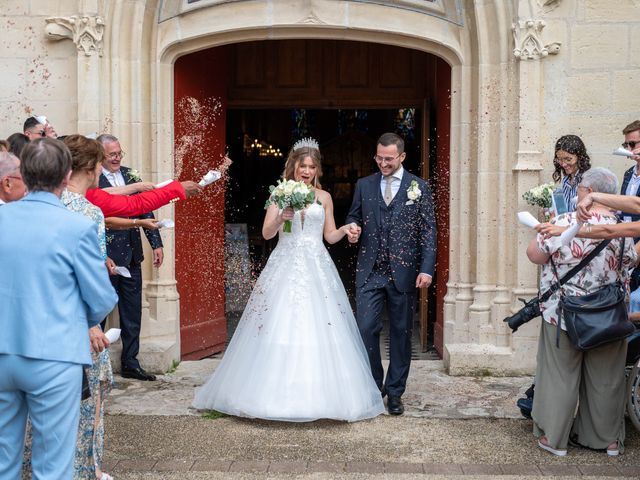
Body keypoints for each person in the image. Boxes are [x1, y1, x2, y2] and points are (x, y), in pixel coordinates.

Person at [192, 137, 385, 422]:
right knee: (279, 324)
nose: (305, 171)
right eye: (301, 165)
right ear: (293, 167)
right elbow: (268, 233)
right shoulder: (280, 193)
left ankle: (323, 397)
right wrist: (282, 215)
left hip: (317, 265)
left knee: (322, 325)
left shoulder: (325, 198)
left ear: (316, 169)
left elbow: (329, 236)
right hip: (285, 263)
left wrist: (346, 229)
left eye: (310, 166)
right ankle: (269, 395)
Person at [0, 138, 118, 479]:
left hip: (2, 350)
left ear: (24, 173)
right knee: (52, 466)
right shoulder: (76, 227)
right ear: (66, 176)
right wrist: (80, 317)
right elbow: (101, 297)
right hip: (54, 354)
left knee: (4, 461)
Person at [526, 167, 636, 457]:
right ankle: (606, 440)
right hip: (609, 315)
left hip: (563, 313)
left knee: (560, 374)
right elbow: (629, 265)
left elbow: (535, 255)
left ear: (587, 191)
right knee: (606, 378)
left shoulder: (564, 221)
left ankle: (555, 438)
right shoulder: (622, 229)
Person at [345, 132, 436, 416]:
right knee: (365, 328)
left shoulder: (419, 188)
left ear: (402, 157)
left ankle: (395, 392)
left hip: (404, 273)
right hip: (370, 270)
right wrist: (352, 228)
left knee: (400, 333)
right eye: (379, 158)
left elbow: (429, 232)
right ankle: (374, 384)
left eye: (388, 159)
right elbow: (353, 216)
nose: (382, 163)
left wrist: (426, 269)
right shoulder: (364, 185)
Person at [97, 134, 163, 381]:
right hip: (106, 256)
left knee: (132, 312)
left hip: (132, 253)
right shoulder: (94, 180)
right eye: (112, 154)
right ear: (100, 156)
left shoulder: (131, 174)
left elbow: (146, 206)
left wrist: (156, 244)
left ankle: (130, 362)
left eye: (119, 153)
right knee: (100, 310)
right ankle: (95, 363)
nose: (117, 158)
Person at [551, 135, 591, 213]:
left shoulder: (588, 180)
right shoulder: (566, 180)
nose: (563, 164)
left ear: (580, 157)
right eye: (559, 159)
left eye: (568, 159)